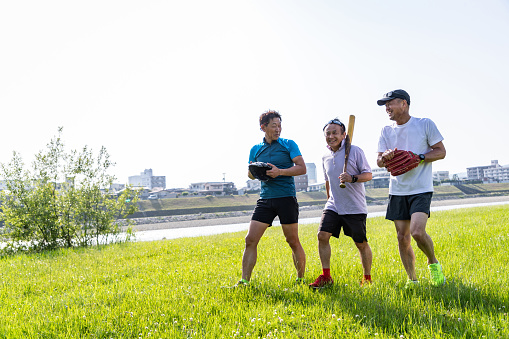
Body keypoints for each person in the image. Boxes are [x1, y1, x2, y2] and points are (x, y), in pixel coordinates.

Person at [376, 89, 446, 288]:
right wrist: (386, 157)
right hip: (397, 189)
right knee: (402, 237)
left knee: (416, 232)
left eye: (390, 103)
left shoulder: (424, 124)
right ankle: (412, 279)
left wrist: (419, 157)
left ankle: (433, 263)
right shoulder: (386, 131)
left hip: (421, 188)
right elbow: (379, 161)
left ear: (404, 104)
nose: (387, 108)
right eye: (385, 105)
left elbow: (441, 151)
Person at [235, 110, 307, 286]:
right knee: (250, 239)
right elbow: (250, 174)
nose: (278, 129)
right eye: (274, 125)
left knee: (292, 241)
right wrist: (257, 172)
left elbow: (302, 168)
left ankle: (300, 279)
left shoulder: (288, 144)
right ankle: (244, 281)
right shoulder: (255, 149)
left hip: (286, 198)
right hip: (265, 199)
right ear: (263, 127)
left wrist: (279, 172)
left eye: (279, 125)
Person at [309, 118, 373, 289]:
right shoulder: (325, 156)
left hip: (354, 206)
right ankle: (326, 276)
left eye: (335, 133)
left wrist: (352, 178)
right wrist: (330, 199)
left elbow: (368, 175)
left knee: (360, 243)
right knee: (322, 236)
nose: (331, 136)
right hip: (333, 205)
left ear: (344, 134)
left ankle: (367, 278)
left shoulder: (355, 151)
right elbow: (327, 181)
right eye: (327, 133)